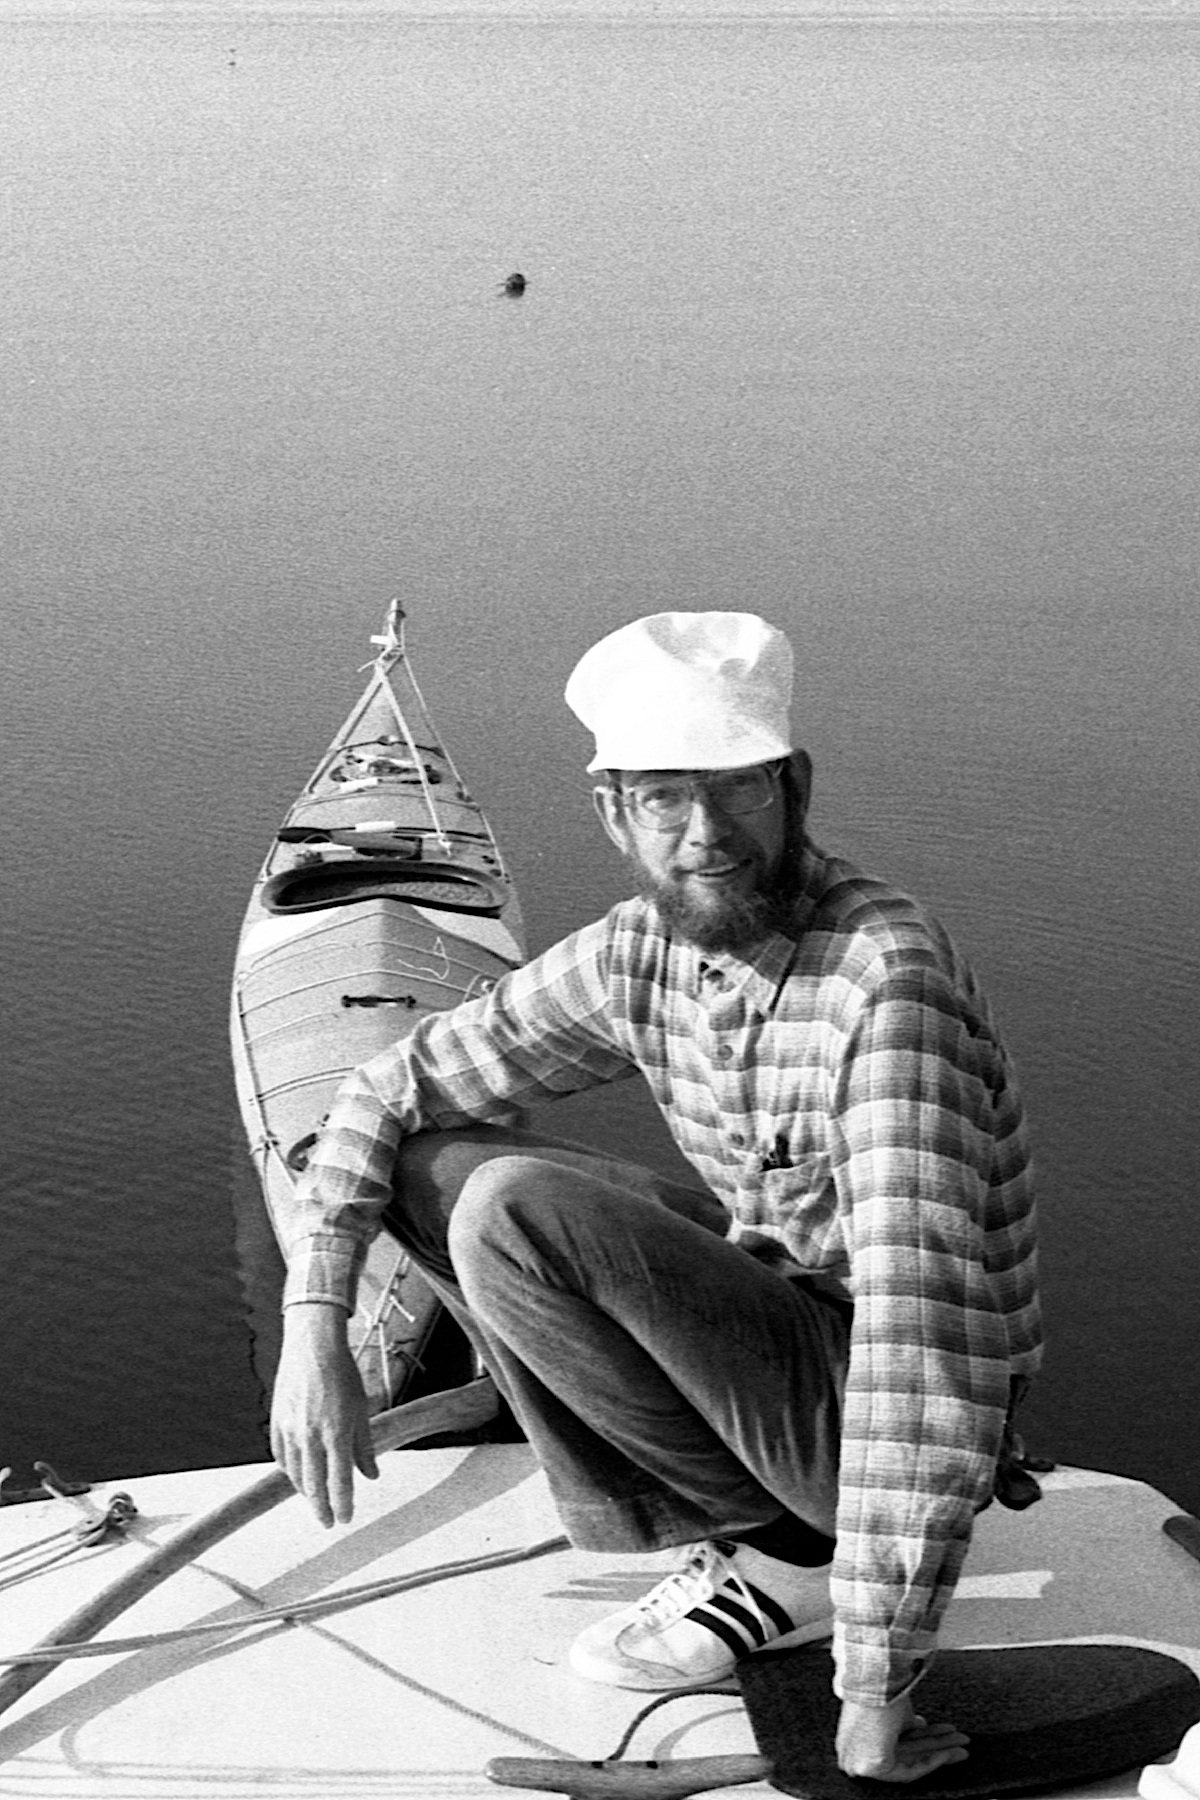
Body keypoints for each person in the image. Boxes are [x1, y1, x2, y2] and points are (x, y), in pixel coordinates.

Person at [270, 611, 1041, 1784]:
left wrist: (876, 1685)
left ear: (794, 787)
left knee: (512, 1207)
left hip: (892, 1394)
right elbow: (390, 1084)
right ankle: (764, 1529)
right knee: (431, 1171)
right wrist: (315, 1322)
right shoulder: (641, 952)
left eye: (738, 789)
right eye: (665, 798)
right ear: (612, 813)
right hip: (794, 1332)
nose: (706, 834)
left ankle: (795, 1558)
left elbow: (922, 1346)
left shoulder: (885, 990)